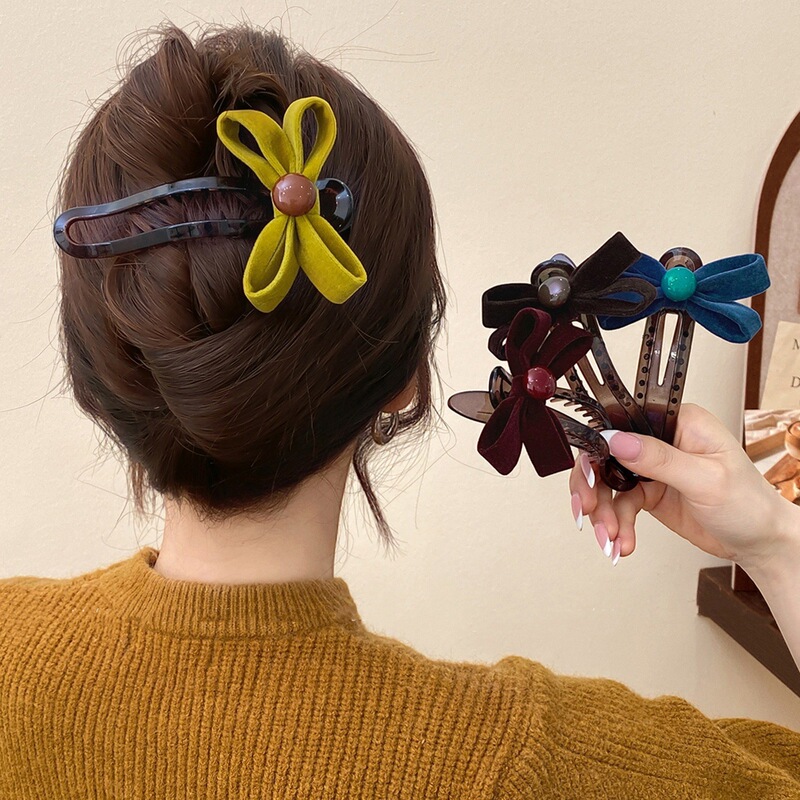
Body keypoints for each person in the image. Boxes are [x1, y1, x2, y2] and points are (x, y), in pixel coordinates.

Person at [0, 21, 798, 799]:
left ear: (99, 375)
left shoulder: (14, 658)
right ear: (405, 378)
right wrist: (773, 541)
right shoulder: (536, 760)